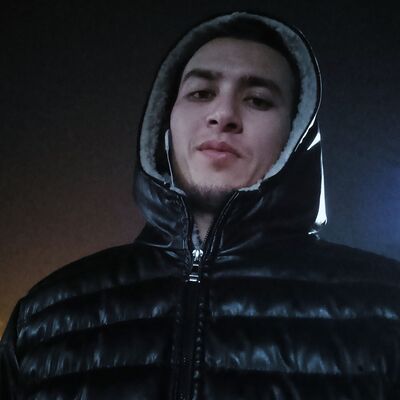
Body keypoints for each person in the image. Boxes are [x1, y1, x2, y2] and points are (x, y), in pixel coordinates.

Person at [1, 11, 400, 400]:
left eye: (258, 100)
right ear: (165, 121)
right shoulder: (42, 318)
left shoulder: (386, 307)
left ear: (295, 132)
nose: (223, 114)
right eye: (201, 93)